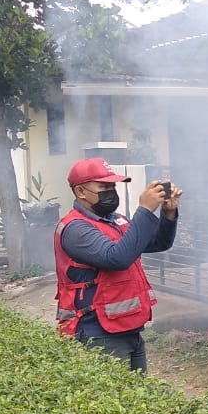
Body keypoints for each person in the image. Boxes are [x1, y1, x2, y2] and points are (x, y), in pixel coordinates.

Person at [53, 158, 182, 373]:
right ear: (81, 192)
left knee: (138, 400)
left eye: (113, 186)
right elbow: (117, 258)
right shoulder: (75, 229)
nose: (111, 191)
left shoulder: (116, 220)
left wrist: (168, 214)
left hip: (129, 329)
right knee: (115, 401)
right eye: (103, 187)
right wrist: (144, 211)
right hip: (98, 333)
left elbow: (159, 242)